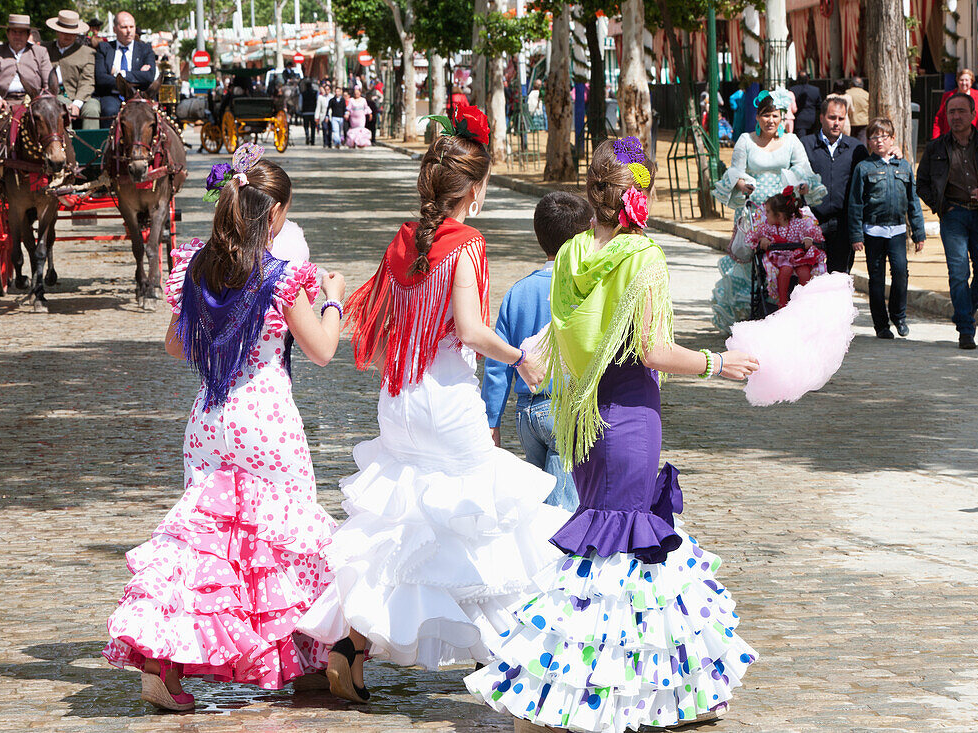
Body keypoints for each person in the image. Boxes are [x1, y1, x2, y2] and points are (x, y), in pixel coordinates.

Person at [465, 137, 760, 733]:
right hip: (628, 414)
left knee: (602, 551)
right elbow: (651, 349)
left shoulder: (573, 253)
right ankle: (626, 693)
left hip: (585, 419)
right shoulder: (641, 257)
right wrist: (716, 366)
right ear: (634, 197)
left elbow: (560, 334)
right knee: (627, 550)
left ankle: (583, 687)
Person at [295, 105, 569, 703]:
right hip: (446, 396)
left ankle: (352, 646)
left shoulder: (404, 240)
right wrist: (520, 357)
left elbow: (383, 318)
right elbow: (470, 330)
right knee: (492, 524)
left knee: (404, 529)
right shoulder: (466, 242)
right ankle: (524, 659)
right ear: (474, 190)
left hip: (399, 399)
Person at [101, 145, 348, 709]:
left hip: (211, 418)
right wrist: (333, 300)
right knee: (284, 540)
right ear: (276, 214)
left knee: (206, 544)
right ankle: (300, 659)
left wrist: (215, 331)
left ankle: (161, 665)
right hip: (267, 418)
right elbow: (322, 351)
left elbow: (173, 343)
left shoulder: (195, 267)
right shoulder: (282, 278)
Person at [481, 191, 593, 513]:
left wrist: (492, 419)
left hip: (526, 414)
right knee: (561, 513)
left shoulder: (518, 292)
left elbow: (496, 364)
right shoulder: (582, 290)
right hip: (565, 410)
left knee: (542, 503)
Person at [711, 90, 826, 333]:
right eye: (765, 116)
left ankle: (795, 310)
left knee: (795, 257)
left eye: (775, 115)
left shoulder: (792, 142)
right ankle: (752, 315)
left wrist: (804, 185)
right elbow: (735, 171)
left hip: (786, 213)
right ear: (757, 117)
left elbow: (803, 169)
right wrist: (742, 184)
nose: (770, 121)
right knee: (752, 265)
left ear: (782, 118)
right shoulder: (745, 140)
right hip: (756, 212)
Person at [916, 93, 978, 350]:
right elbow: (922, 184)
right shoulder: (935, 147)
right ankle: (966, 330)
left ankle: (966, 311)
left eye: (961, 111)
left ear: (973, 114)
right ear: (946, 116)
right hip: (953, 215)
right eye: (952, 112)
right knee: (959, 273)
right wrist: (941, 207)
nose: (956, 116)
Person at [849, 117, 926, 339]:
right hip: (873, 230)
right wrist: (856, 234)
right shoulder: (864, 168)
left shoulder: (903, 166)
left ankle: (899, 316)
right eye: (874, 137)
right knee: (876, 278)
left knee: (901, 272)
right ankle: (881, 324)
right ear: (869, 141)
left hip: (898, 229)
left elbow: (913, 201)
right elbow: (855, 203)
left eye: (884, 136)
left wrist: (918, 232)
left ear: (893, 139)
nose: (879, 141)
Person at [801, 94, 869, 273]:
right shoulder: (804, 145)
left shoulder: (856, 148)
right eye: (832, 117)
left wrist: (893, 153)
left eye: (841, 118)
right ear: (821, 117)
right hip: (812, 223)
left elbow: (873, 173)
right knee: (811, 280)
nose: (837, 123)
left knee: (839, 279)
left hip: (843, 225)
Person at [746, 188, 827, 308]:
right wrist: (763, 239)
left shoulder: (798, 223)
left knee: (804, 272)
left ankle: (803, 302)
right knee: (785, 270)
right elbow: (759, 235)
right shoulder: (769, 227)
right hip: (781, 258)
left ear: (779, 215)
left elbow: (808, 232)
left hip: (799, 256)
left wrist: (807, 239)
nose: (765, 215)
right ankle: (782, 303)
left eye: (768, 212)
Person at [0, 14, 54, 114]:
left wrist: (44, 101)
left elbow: (48, 82)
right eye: (14, 32)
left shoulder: (40, 52)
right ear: (7, 34)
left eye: (21, 33)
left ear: (28, 35)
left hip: (35, 104)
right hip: (4, 103)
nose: (17, 36)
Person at [93, 11, 156, 120]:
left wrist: (119, 73)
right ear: (115, 29)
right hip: (112, 96)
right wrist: (136, 77)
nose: (129, 31)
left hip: (138, 95)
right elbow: (101, 78)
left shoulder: (145, 49)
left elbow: (149, 76)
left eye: (132, 27)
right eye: (124, 27)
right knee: (109, 110)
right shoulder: (104, 48)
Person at [46, 10, 100, 129]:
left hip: (80, 96)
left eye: (72, 33)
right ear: (57, 31)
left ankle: (91, 146)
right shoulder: (45, 50)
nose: (68, 36)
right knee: (62, 106)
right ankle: (66, 145)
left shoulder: (87, 52)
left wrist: (77, 103)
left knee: (93, 108)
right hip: (54, 96)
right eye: (64, 32)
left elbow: (88, 81)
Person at [931, 68, 978, 138]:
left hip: (974, 138)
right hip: (952, 138)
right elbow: (939, 118)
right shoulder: (948, 96)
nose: (964, 83)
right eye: (961, 80)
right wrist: (936, 138)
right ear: (957, 81)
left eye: (967, 80)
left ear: (971, 82)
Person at [791, 72, 822, 137]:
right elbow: (819, 105)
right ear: (808, 79)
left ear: (798, 79)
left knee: (801, 142)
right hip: (811, 119)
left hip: (799, 120)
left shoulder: (792, 90)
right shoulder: (815, 90)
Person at [847, 77, 869, 142]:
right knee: (862, 143)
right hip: (863, 122)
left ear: (851, 84)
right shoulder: (866, 94)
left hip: (849, 122)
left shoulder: (846, 93)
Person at [300, 77, 318, 146]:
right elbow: (317, 101)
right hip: (313, 111)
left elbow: (300, 103)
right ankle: (312, 140)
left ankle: (307, 134)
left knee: (306, 125)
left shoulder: (303, 94)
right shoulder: (315, 93)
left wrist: (301, 110)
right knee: (313, 127)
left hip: (305, 112)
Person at [317, 81, 333, 147]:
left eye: (328, 89)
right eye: (325, 89)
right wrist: (316, 116)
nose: (326, 91)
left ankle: (329, 142)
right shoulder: (320, 97)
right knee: (324, 128)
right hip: (323, 115)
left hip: (331, 116)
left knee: (330, 129)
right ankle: (325, 142)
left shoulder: (332, 97)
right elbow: (318, 108)